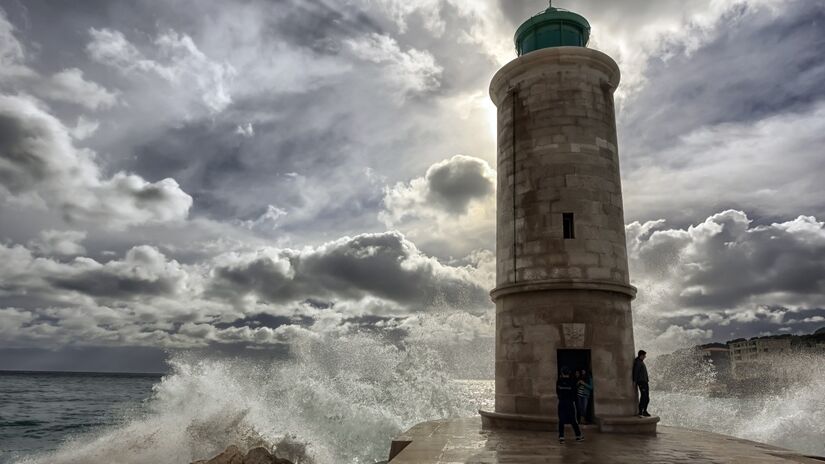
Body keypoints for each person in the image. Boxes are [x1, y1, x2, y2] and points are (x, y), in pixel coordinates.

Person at [556, 366, 583, 443]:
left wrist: (561, 397)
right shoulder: (572, 382)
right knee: (573, 420)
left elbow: (557, 391)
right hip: (570, 402)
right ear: (569, 373)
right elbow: (575, 393)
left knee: (561, 419)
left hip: (562, 402)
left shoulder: (559, 381)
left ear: (562, 372)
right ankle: (578, 436)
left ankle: (561, 437)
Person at [632, 350, 651, 417]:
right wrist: (635, 381)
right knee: (643, 397)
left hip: (645, 382)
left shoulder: (641, 362)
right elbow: (636, 372)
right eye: (644, 355)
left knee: (647, 398)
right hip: (641, 382)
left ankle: (644, 411)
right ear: (641, 355)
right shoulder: (638, 362)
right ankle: (640, 411)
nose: (645, 357)